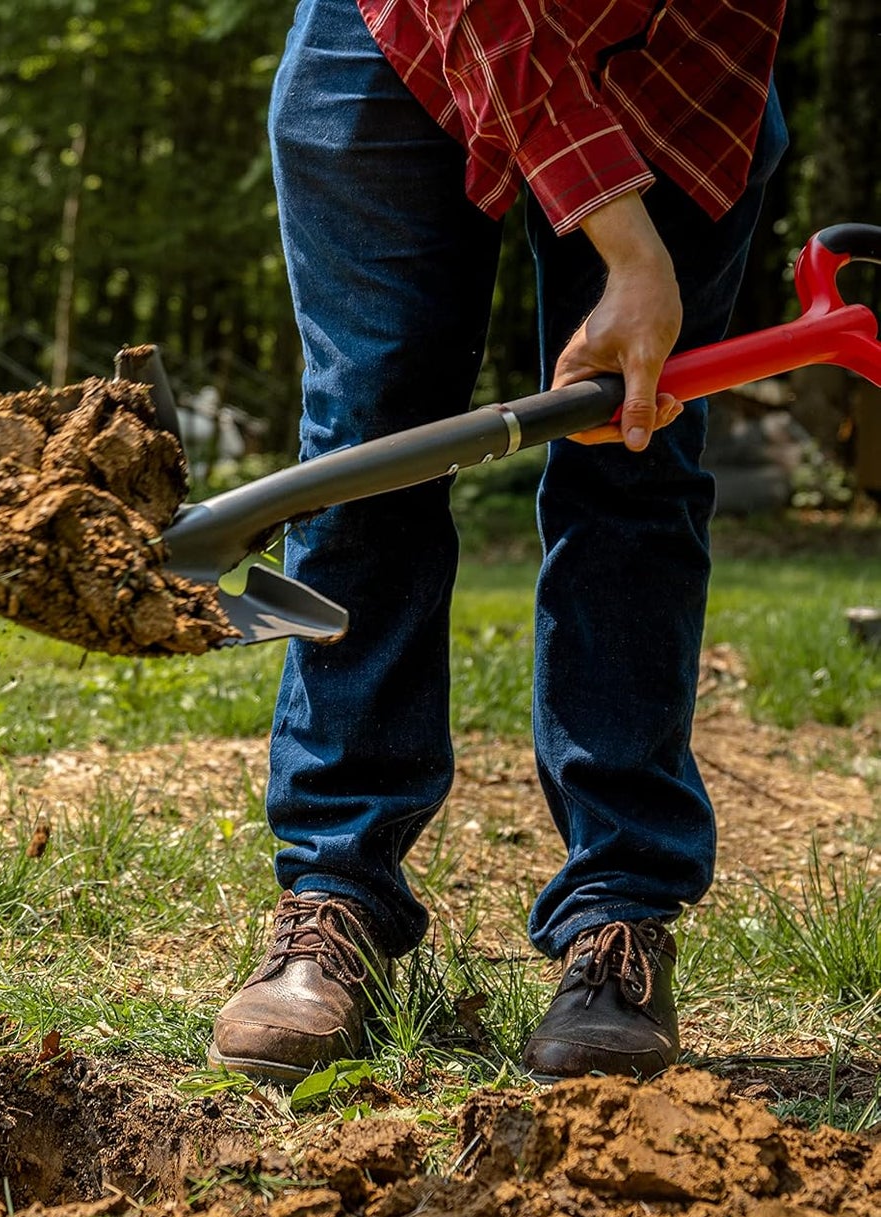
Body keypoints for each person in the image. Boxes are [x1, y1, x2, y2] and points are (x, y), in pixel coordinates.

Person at [208, 0, 788, 1086]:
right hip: (405, 36)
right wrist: (623, 242)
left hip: (677, 60)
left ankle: (617, 916)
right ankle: (336, 891)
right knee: (373, 444)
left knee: (633, 447)